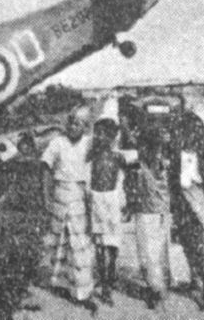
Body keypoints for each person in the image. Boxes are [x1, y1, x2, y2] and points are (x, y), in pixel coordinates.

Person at [40, 106, 97, 313]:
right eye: (71, 122)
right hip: (60, 195)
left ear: (85, 127)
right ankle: (59, 284)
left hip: (79, 197)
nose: (73, 126)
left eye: (79, 123)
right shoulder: (57, 143)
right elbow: (45, 167)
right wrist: (46, 197)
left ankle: (81, 292)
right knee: (59, 240)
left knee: (80, 243)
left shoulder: (89, 143)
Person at [172, 111, 204, 311]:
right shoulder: (176, 155)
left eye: (197, 130)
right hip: (183, 205)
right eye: (191, 130)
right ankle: (196, 280)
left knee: (202, 245)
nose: (194, 134)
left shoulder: (202, 155)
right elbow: (172, 183)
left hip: (200, 201)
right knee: (188, 244)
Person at [124, 124, 172, 310]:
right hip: (158, 210)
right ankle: (159, 288)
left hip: (149, 210)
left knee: (149, 252)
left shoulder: (146, 161)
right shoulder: (157, 161)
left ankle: (156, 290)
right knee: (157, 250)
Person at [88, 118, 125, 306]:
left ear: (112, 136)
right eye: (97, 132)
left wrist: (130, 203)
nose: (99, 136)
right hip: (96, 200)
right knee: (100, 246)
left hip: (112, 200)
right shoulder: (91, 154)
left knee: (113, 245)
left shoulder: (118, 157)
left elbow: (133, 174)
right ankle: (105, 286)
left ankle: (111, 276)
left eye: (104, 133)